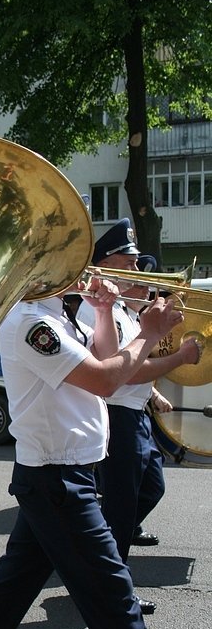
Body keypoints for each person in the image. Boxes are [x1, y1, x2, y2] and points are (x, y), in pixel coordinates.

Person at [0, 266, 212, 629]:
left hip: (60, 474)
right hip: (57, 480)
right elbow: (106, 381)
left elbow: (114, 359)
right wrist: (150, 331)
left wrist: (108, 311)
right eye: (69, 261)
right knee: (113, 593)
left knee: (15, 582)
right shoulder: (34, 323)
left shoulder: (63, 317)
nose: (83, 270)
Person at [75, 222, 201, 603]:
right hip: (117, 416)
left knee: (147, 491)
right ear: (104, 265)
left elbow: (135, 364)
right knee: (120, 506)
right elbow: (122, 370)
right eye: (127, 264)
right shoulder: (99, 310)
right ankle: (113, 587)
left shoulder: (124, 312)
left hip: (133, 415)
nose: (137, 272)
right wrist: (179, 357)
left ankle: (100, 560)